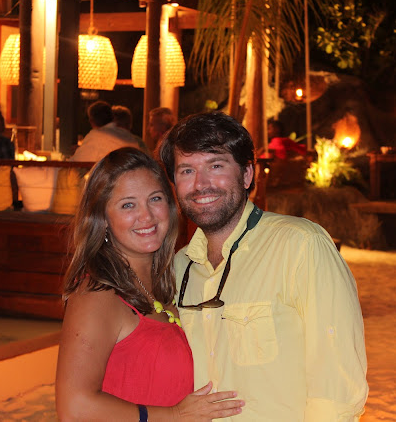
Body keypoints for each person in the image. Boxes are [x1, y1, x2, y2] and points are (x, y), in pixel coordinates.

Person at [157, 111, 368, 421]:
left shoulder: (300, 245)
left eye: (216, 166)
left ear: (247, 175)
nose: (200, 184)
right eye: (187, 170)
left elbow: (337, 383)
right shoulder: (179, 267)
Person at [55, 147, 245, 421]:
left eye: (155, 199)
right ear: (103, 219)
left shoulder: (170, 284)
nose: (146, 216)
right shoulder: (97, 294)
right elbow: (74, 408)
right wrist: (174, 415)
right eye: (128, 205)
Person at [71, 101, 140, 162]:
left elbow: (76, 162)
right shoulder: (128, 135)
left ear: (91, 121)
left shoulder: (96, 135)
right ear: (112, 117)